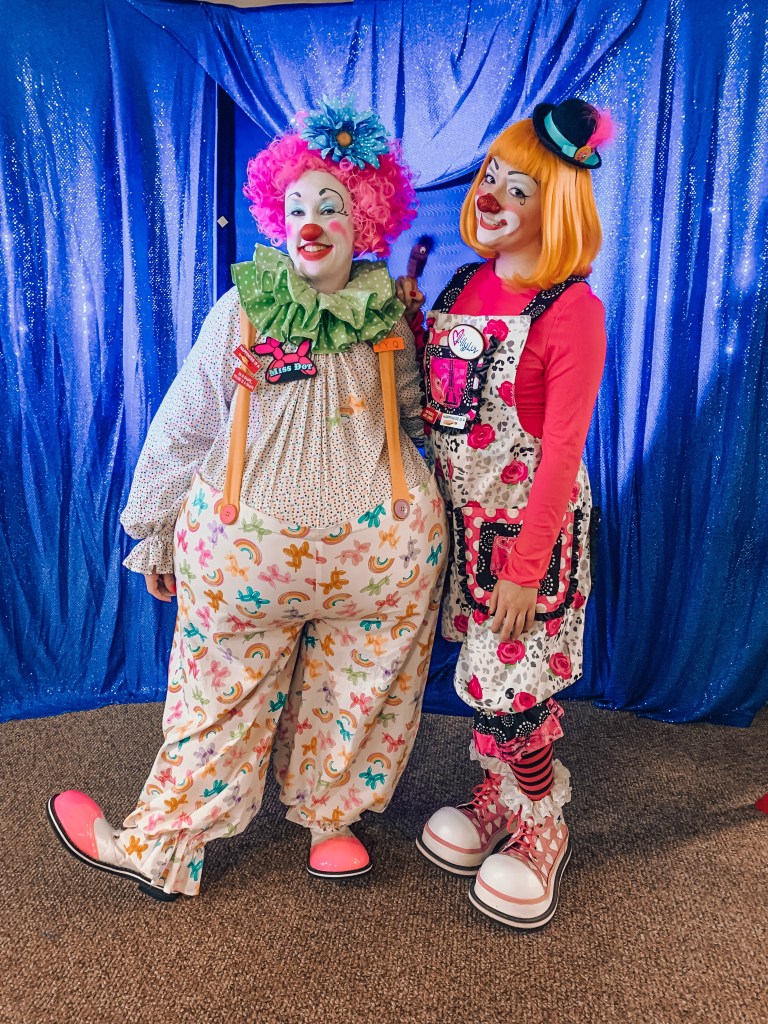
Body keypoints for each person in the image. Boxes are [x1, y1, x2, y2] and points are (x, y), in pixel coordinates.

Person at [47, 99, 447, 899]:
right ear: (275, 215)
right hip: (274, 548)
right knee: (241, 692)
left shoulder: (385, 318)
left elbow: (410, 414)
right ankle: (180, 842)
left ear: (365, 217)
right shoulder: (246, 309)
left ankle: (324, 822)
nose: (311, 221)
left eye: (330, 205)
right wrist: (154, 528)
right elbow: (190, 419)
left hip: (367, 555)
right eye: (296, 207)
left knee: (347, 686)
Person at [398, 98, 610, 929]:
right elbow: (437, 403)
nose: (490, 195)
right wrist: (410, 324)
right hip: (462, 527)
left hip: (528, 541)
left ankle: (542, 820)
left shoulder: (573, 312)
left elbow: (561, 452)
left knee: (510, 689)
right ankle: (498, 795)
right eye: (491, 176)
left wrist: (526, 567)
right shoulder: (462, 283)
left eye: (518, 188)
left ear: (556, 209)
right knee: (485, 679)